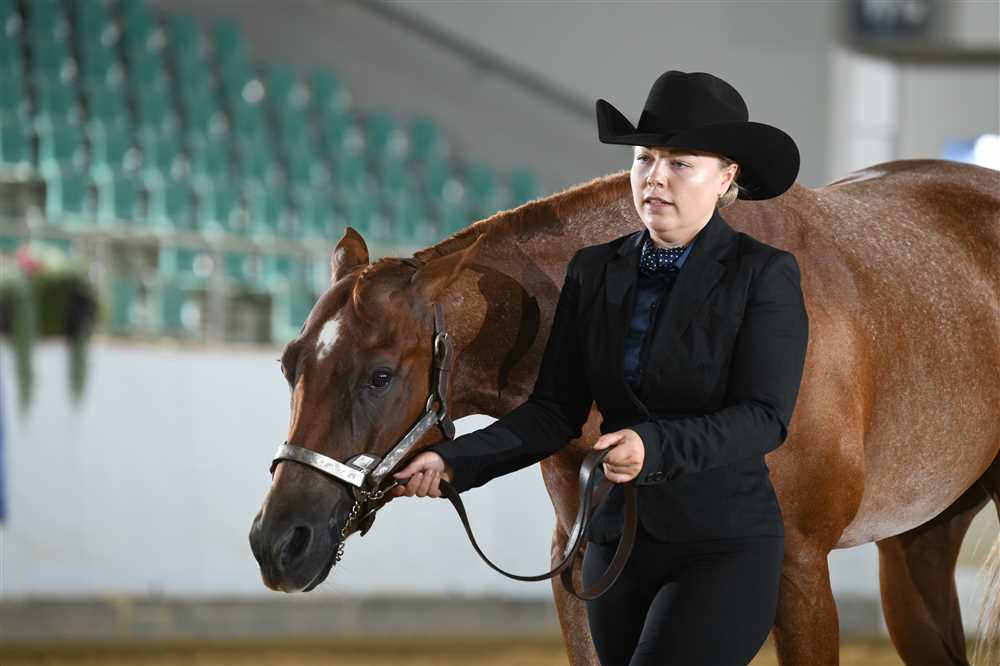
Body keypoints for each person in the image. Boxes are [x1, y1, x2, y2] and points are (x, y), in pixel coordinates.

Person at [390, 70, 809, 665]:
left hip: (722, 548)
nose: (655, 177)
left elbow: (764, 418)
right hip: (617, 549)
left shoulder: (763, 274)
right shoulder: (594, 269)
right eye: (644, 159)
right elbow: (554, 412)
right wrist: (454, 461)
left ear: (725, 177)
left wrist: (653, 446)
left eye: (680, 163)